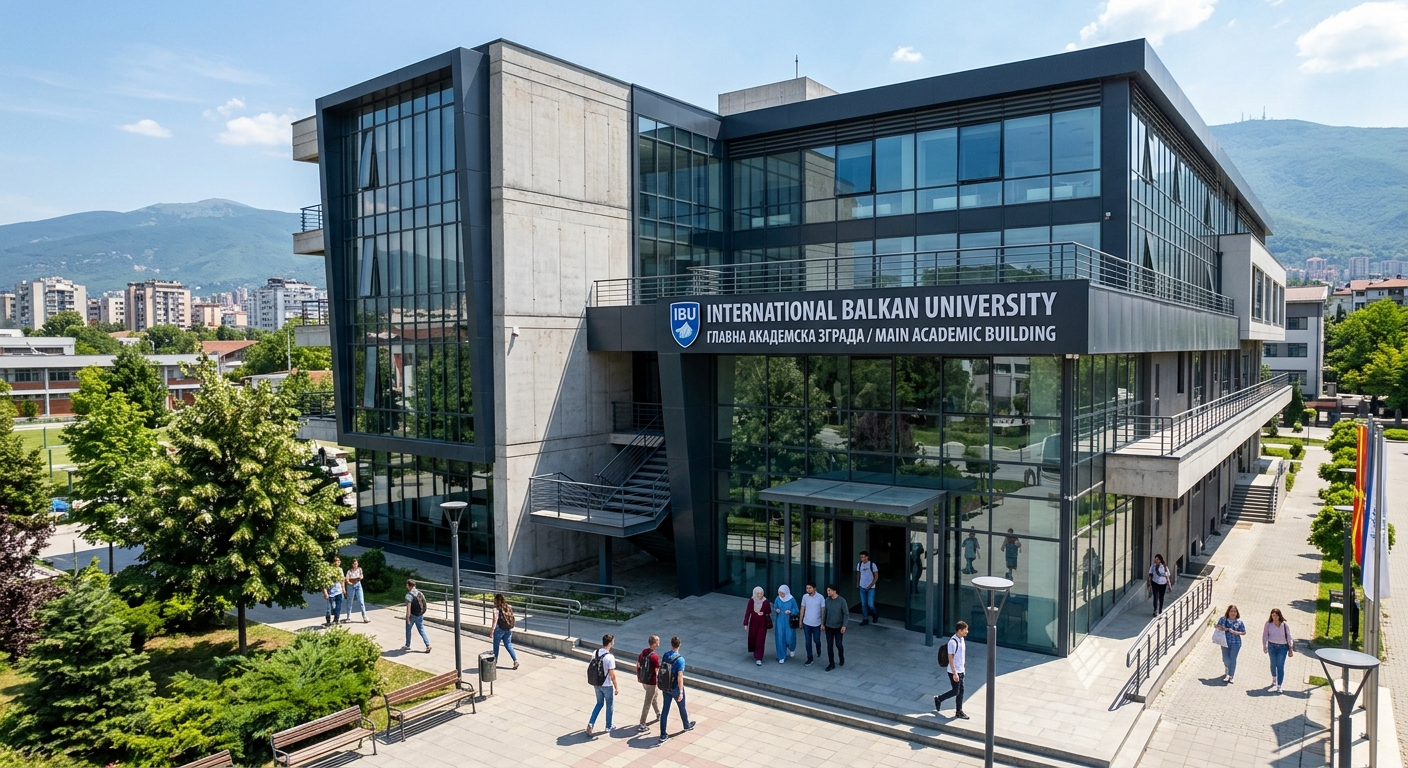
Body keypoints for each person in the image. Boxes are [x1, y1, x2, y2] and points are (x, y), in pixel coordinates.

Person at [658, 635, 695, 742]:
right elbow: (680, 676)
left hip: (666, 686)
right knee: (682, 707)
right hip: (675, 687)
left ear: (671, 644)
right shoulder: (680, 660)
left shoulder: (666, 655)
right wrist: (681, 691)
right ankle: (686, 725)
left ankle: (663, 734)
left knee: (665, 709)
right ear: (679, 645)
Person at [933, 620, 969, 719]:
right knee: (956, 691)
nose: (967, 632)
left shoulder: (962, 639)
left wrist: (964, 666)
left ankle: (959, 711)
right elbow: (951, 658)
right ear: (960, 630)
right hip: (954, 671)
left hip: (961, 670)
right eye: (965, 630)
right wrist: (955, 673)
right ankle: (939, 699)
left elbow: (962, 654)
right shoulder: (952, 642)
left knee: (960, 691)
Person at [586, 634, 618, 736]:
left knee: (599, 703)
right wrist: (616, 687)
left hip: (596, 683)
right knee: (610, 705)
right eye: (613, 641)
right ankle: (608, 726)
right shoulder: (610, 657)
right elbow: (612, 674)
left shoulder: (595, 652)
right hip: (607, 685)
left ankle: (591, 723)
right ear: (610, 643)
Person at [1262, 608, 1293, 693]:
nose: (1274, 617)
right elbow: (1265, 635)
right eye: (1273, 615)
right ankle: (1274, 678)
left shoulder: (1284, 625)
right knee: (1273, 664)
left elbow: (1289, 636)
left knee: (1280, 666)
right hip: (1272, 646)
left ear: (1279, 616)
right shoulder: (1268, 624)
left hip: (1282, 647)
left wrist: (1290, 647)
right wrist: (1264, 646)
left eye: (1276, 615)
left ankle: (1279, 685)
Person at [636, 635, 662, 732]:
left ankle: (658, 714)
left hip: (644, 680)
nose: (659, 642)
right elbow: (656, 671)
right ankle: (642, 723)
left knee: (654, 697)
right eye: (658, 641)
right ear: (654, 643)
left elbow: (638, 664)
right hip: (652, 682)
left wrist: (639, 676)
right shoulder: (654, 657)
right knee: (648, 701)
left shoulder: (643, 652)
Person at [1216, 605, 1246, 683]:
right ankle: (1227, 668)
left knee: (1233, 659)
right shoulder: (1223, 619)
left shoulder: (1239, 622)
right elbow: (1217, 626)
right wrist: (1222, 628)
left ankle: (1231, 675)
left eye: (1234, 611)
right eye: (1231, 611)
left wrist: (1236, 632)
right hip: (1224, 642)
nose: (1233, 613)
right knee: (1225, 659)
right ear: (1228, 612)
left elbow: (1244, 632)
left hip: (1236, 643)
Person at [822, 584, 848, 671]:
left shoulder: (842, 601)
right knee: (829, 645)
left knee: (838, 644)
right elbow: (825, 613)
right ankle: (831, 663)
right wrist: (823, 624)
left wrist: (844, 625)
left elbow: (846, 614)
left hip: (838, 627)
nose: (828, 592)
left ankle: (841, 657)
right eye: (827, 590)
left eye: (829, 590)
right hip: (829, 626)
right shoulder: (827, 600)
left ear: (834, 591)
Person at [743, 586, 771, 666]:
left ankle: (759, 657)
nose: (760, 595)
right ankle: (755, 651)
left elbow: (769, 611)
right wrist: (745, 623)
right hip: (753, 623)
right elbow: (748, 612)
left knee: (760, 640)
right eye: (758, 593)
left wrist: (763, 612)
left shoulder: (765, 601)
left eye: (761, 593)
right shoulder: (752, 601)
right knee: (753, 638)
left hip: (762, 624)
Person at [799, 582, 825, 667]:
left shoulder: (820, 597)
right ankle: (810, 658)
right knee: (808, 642)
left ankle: (818, 648)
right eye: (807, 588)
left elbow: (822, 611)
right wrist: (800, 621)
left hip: (817, 624)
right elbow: (802, 609)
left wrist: (822, 623)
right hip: (807, 623)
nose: (808, 590)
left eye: (810, 588)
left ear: (814, 588)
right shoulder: (805, 597)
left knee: (816, 640)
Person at [401, 579, 431, 653]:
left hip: (412, 615)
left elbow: (408, 607)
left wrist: (407, 617)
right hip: (420, 615)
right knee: (421, 630)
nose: (406, 586)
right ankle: (428, 645)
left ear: (409, 586)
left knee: (408, 630)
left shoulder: (408, 595)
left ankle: (407, 645)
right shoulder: (420, 593)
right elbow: (424, 603)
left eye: (407, 585)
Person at [492, 593, 520, 670]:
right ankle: (515, 660)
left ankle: (494, 662)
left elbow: (495, 621)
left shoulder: (496, 609)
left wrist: (492, 631)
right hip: (508, 629)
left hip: (499, 629)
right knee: (508, 645)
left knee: (496, 646)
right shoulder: (509, 607)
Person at [773, 585, 798, 662]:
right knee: (780, 638)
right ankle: (781, 656)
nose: (781, 594)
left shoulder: (791, 599)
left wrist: (790, 611)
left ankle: (792, 648)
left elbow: (796, 609)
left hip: (788, 621)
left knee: (790, 637)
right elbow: (774, 607)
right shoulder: (778, 599)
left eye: (782, 593)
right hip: (780, 621)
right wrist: (776, 610)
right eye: (779, 593)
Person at [855, 550, 879, 625]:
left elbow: (876, 576)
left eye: (863, 557)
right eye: (861, 557)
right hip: (862, 587)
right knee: (863, 604)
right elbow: (858, 574)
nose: (862, 558)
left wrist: (871, 585)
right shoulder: (859, 565)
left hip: (871, 588)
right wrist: (858, 583)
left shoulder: (872, 565)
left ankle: (875, 615)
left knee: (870, 604)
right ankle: (865, 619)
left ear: (867, 557)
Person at [323, 556, 345, 626]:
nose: (337, 562)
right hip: (331, 592)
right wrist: (325, 592)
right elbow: (324, 581)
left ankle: (336, 620)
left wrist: (343, 589)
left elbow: (342, 580)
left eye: (338, 561)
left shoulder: (340, 570)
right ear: (333, 562)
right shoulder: (329, 570)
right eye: (336, 561)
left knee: (338, 607)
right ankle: (328, 621)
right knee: (330, 608)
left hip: (339, 591)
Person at [344, 558, 367, 623]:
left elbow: (362, 575)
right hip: (351, 586)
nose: (356, 565)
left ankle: (364, 616)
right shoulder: (349, 571)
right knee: (350, 602)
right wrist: (349, 583)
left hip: (358, 585)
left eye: (356, 564)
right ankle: (348, 617)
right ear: (352, 564)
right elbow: (347, 579)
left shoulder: (359, 569)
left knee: (361, 601)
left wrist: (361, 577)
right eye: (354, 564)